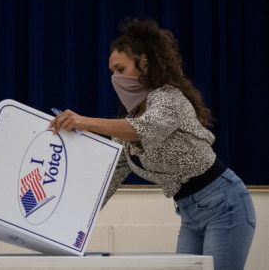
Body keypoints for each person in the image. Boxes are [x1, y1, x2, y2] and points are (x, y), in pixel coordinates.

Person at [49, 18, 255, 270]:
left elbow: (143, 129)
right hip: (190, 214)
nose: (115, 78)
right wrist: (66, 221)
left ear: (144, 64)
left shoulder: (170, 99)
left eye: (121, 69)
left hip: (224, 203)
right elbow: (108, 181)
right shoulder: (129, 121)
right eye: (112, 72)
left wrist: (83, 122)